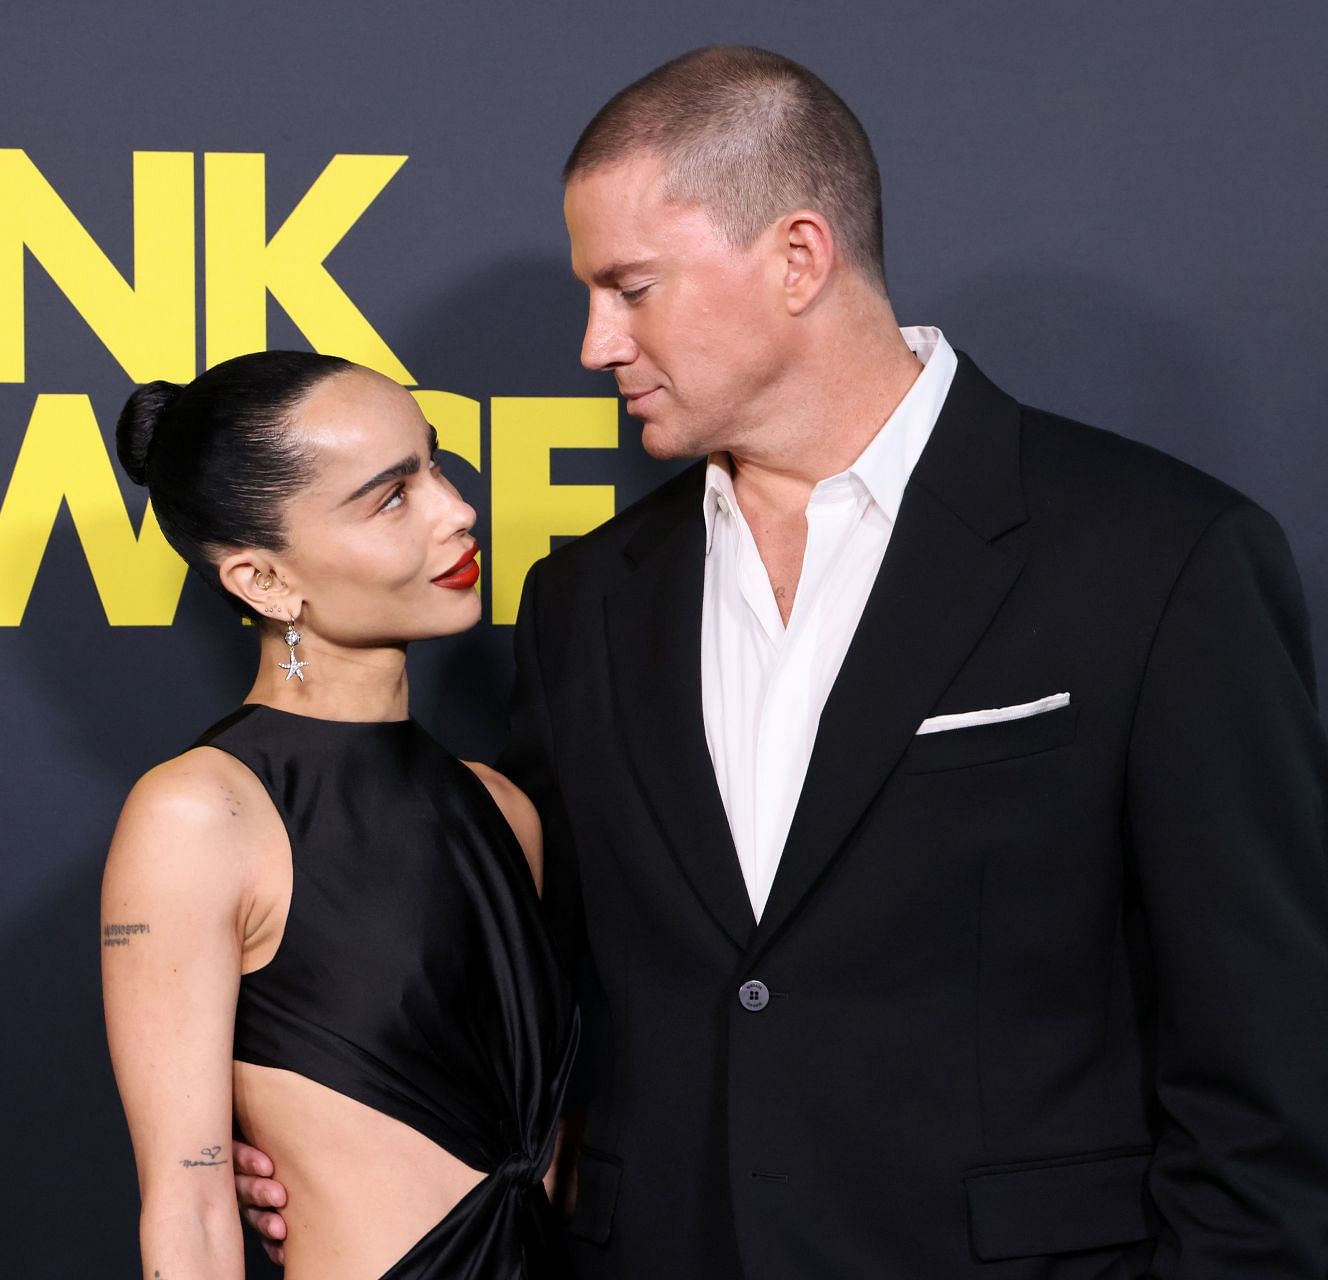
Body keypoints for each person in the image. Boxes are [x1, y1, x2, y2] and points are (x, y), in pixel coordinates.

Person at [236, 46, 1328, 1276]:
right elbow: (538, 989)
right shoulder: (587, 598)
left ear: (798, 258)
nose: (596, 342)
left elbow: (1269, 1063)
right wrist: (333, 1124)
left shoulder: (1159, 557)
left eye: (631, 287)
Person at [99, 350, 580, 1279]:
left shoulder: (504, 810)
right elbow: (191, 1217)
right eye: (391, 497)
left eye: (435, 466)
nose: (456, 509)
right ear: (266, 582)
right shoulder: (200, 817)